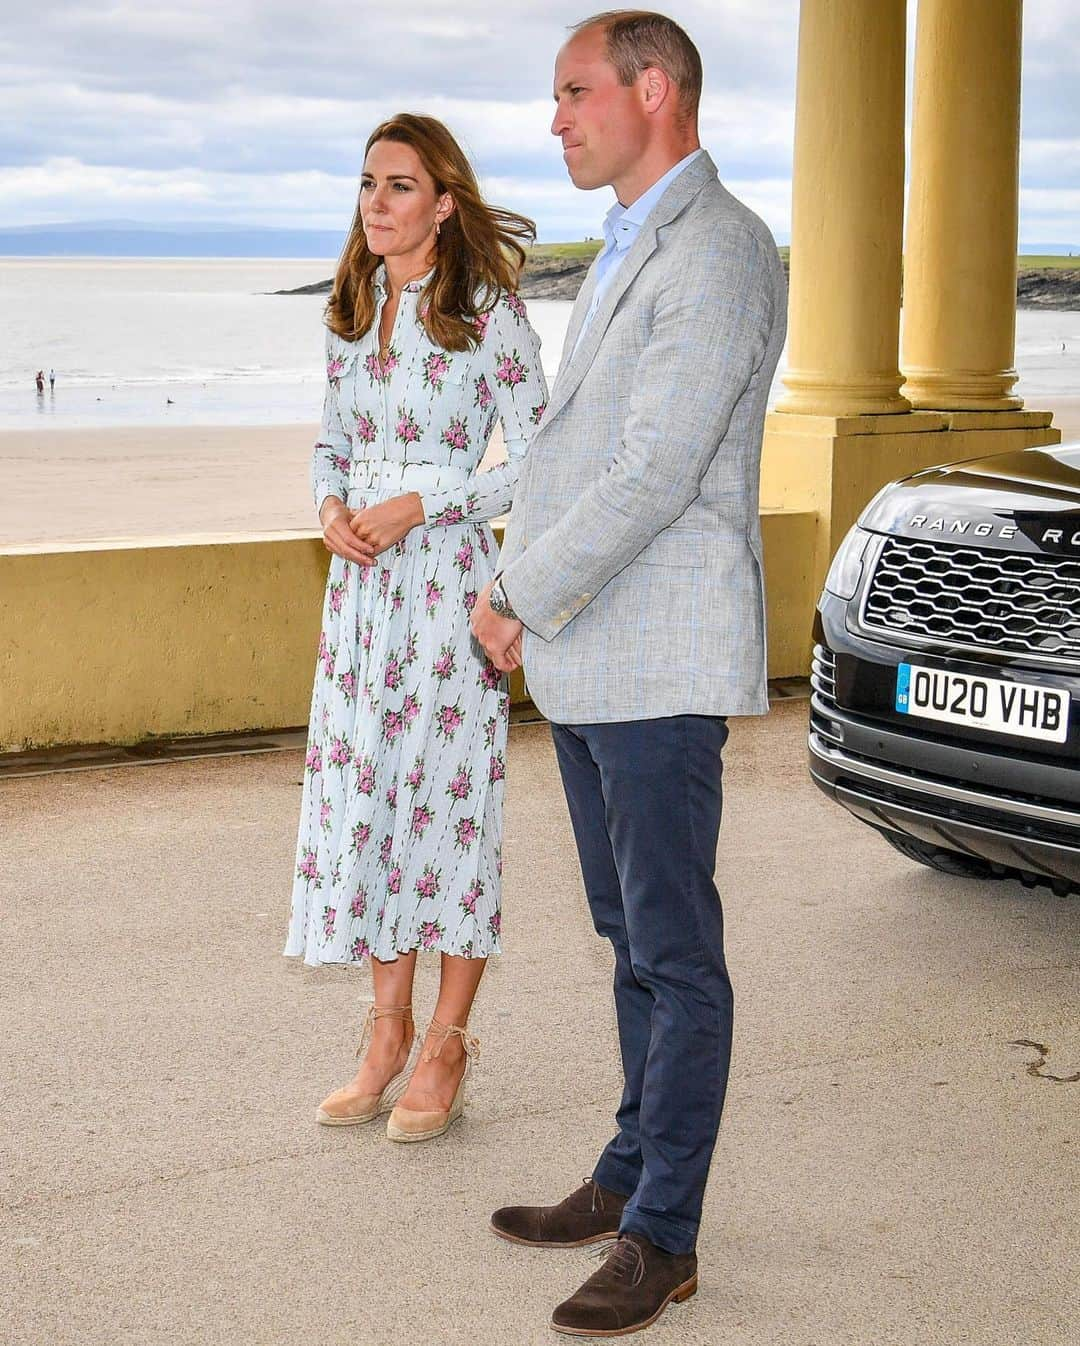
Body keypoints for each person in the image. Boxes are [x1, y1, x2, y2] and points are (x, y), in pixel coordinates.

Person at [471, 11, 787, 1337]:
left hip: (655, 660)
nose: (555, 118)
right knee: (627, 940)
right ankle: (626, 1169)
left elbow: (653, 470)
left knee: (674, 949)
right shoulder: (622, 248)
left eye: (574, 91)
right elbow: (566, 449)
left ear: (654, 89)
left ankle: (666, 1233)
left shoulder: (716, 249)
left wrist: (520, 598)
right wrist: (481, 541)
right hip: (595, 660)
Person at [285, 113, 547, 1143]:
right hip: (359, 604)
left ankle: (446, 1041)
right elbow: (329, 440)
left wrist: (424, 502)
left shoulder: (490, 314)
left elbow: (541, 457)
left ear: (444, 203)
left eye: (399, 186)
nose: (376, 204)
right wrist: (329, 508)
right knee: (372, 808)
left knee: (448, 809)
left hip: (447, 595)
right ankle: (383, 1033)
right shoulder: (352, 309)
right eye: (367, 184)